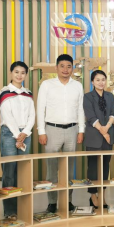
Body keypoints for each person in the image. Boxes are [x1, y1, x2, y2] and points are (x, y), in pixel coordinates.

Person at [38, 54, 84, 214]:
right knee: (51, 168)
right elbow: (40, 108)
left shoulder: (77, 86)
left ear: (72, 68)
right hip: (52, 129)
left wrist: (81, 130)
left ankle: (68, 200)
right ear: (56, 67)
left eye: (69, 66)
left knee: (69, 168)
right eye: (62, 66)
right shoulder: (47, 85)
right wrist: (41, 131)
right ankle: (52, 202)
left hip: (72, 129)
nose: (65, 69)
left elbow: (80, 109)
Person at [0, 61, 36, 220]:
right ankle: (10, 211)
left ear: (25, 75)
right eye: (16, 72)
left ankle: (23, 208)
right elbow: (6, 116)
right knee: (9, 172)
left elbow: (32, 115)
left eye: (22, 72)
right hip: (9, 133)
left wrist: (25, 133)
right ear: (11, 73)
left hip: (26, 134)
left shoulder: (28, 93)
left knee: (23, 171)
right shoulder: (4, 92)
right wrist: (17, 135)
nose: (19, 75)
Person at [83, 70, 114, 209]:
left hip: (108, 135)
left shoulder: (110, 96)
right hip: (94, 136)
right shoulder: (88, 96)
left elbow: (113, 113)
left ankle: (102, 196)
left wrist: (107, 127)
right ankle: (93, 196)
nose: (101, 82)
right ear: (92, 82)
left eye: (103, 79)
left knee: (105, 167)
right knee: (93, 167)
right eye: (97, 80)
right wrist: (104, 132)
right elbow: (90, 117)